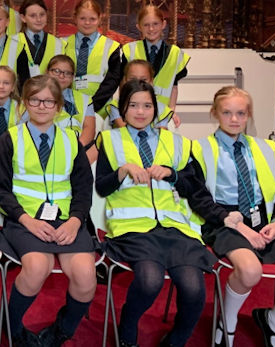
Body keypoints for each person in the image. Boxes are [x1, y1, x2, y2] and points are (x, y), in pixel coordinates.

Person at [95, 79, 239, 347]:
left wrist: (173, 175)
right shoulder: (110, 139)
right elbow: (102, 188)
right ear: (123, 109)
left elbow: (194, 188)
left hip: (175, 229)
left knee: (194, 289)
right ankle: (127, 329)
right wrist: (122, 171)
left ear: (156, 108)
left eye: (147, 105)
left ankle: (175, 341)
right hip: (133, 229)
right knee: (149, 281)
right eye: (133, 105)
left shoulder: (178, 143)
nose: (140, 111)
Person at [194, 86, 275, 347]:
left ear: (248, 114)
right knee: (250, 271)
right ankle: (226, 323)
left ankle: (273, 323)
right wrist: (239, 227)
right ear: (215, 113)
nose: (234, 119)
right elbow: (200, 200)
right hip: (224, 222)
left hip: (265, 223)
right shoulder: (200, 149)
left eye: (241, 113)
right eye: (227, 113)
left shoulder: (266, 148)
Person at [0, 74, 96, 347]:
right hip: (24, 220)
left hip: (65, 219)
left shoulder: (72, 140)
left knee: (86, 277)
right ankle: (13, 327)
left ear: (59, 107)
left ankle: (62, 329)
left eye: (49, 101)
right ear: (25, 103)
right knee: (38, 267)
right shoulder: (10, 138)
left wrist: (75, 221)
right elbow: (1, 190)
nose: (42, 106)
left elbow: (84, 188)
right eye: (35, 100)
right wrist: (27, 221)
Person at [122, 5, 189, 120]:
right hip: (136, 111)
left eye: (155, 24)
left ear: (163, 24)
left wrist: (172, 110)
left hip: (162, 112)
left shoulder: (175, 53)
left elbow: (174, 86)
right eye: (146, 25)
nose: (151, 29)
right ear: (139, 27)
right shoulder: (130, 50)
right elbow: (123, 84)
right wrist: (124, 107)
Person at [62, 0, 122, 115]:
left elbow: (111, 82)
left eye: (92, 19)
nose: (87, 23)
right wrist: (69, 105)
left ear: (100, 19)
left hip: (100, 110)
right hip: (69, 109)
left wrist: (90, 108)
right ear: (75, 18)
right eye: (82, 18)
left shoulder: (112, 47)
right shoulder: (64, 44)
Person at [107, 60, 176, 130]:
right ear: (124, 80)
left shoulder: (163, 110)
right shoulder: (115, 106)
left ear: (151, 82)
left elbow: (161, 134)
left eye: (143, 80)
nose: (138, 83)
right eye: (133, 79)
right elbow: (123, 128)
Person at [14, 0, 62, 92]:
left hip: (49, 96)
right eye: (33, 16)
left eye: (42, 15)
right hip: (20, 95)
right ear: (23, 18)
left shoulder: (58, 43)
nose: (38, 19)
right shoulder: (12, 41)